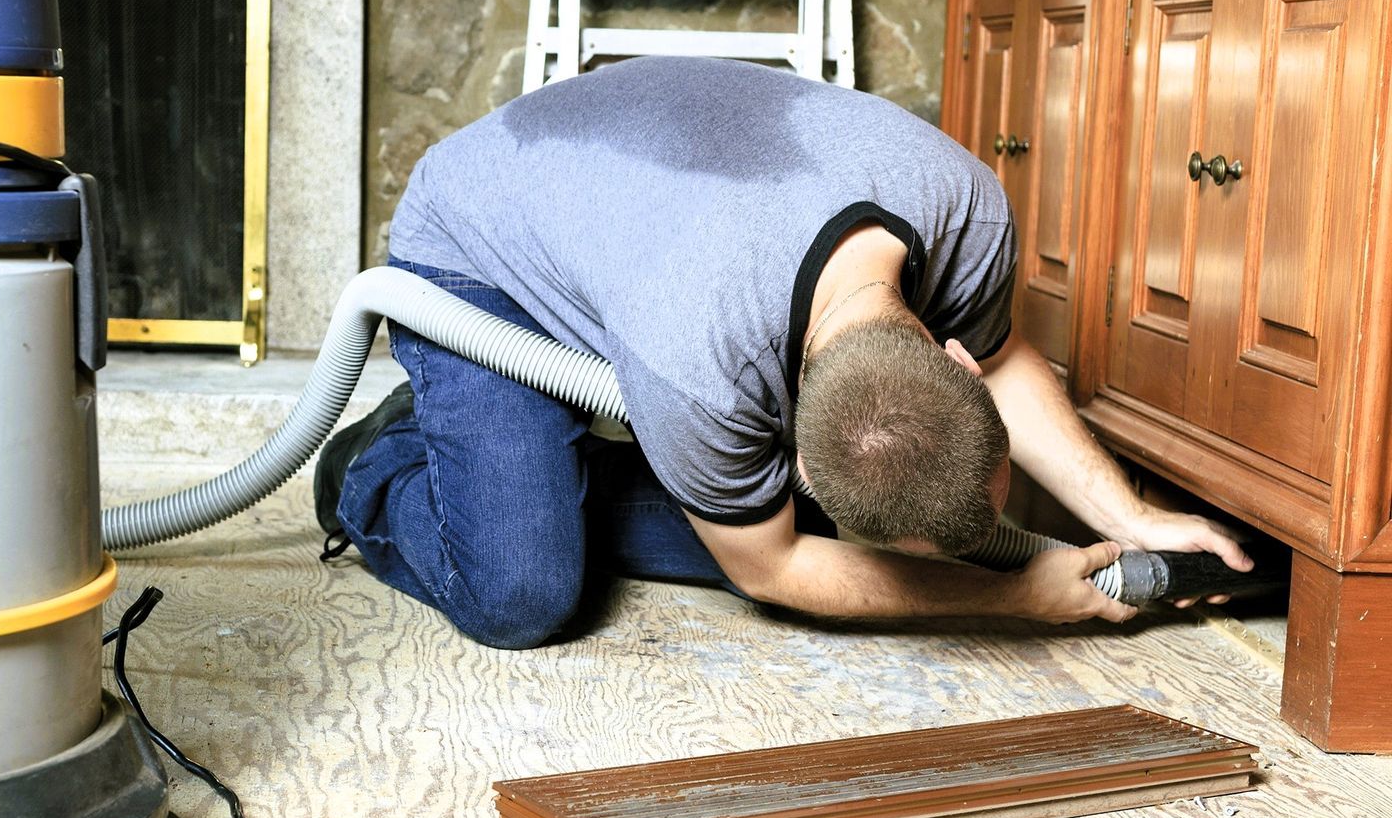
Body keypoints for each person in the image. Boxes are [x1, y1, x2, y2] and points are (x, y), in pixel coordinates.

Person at [315, 56, 1250, 650]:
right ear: (795, 450)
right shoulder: (701, 373)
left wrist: (1134, 518)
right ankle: (387, 458)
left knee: (838, 540)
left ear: (954, 361)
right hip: (483, 247)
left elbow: (1009, 361)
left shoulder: (966, 211)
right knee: (523, 595)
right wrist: (1006, 601)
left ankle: (514, 466)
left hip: (641, 219)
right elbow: (770, 571)